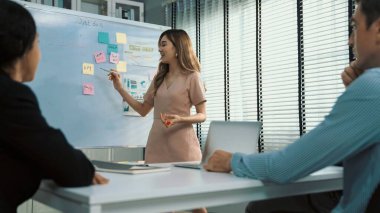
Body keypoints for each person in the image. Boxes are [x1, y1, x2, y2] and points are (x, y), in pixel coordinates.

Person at [204, 0, 380, 212]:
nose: (350, 41)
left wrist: (232, 161)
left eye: (355, 27)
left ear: (378, 30)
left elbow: (285, 167)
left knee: (261, 207)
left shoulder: (371, 88)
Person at [0, 1, 109, 212]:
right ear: (21, 46)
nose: (39, 54)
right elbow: (71, 167)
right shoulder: (10, 96)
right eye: (38, 43)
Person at [109, 29, 207, 213]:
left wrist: (181, 118)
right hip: (157, 145)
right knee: (162, 202)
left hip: (183, 147)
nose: (159, 49)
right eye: (159, 45)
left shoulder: (192, 77)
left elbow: (202, 115)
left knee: (195, 201)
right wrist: (120, 88)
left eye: (164, 44)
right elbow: (143, 110)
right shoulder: (159, 78)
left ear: (178, 48)